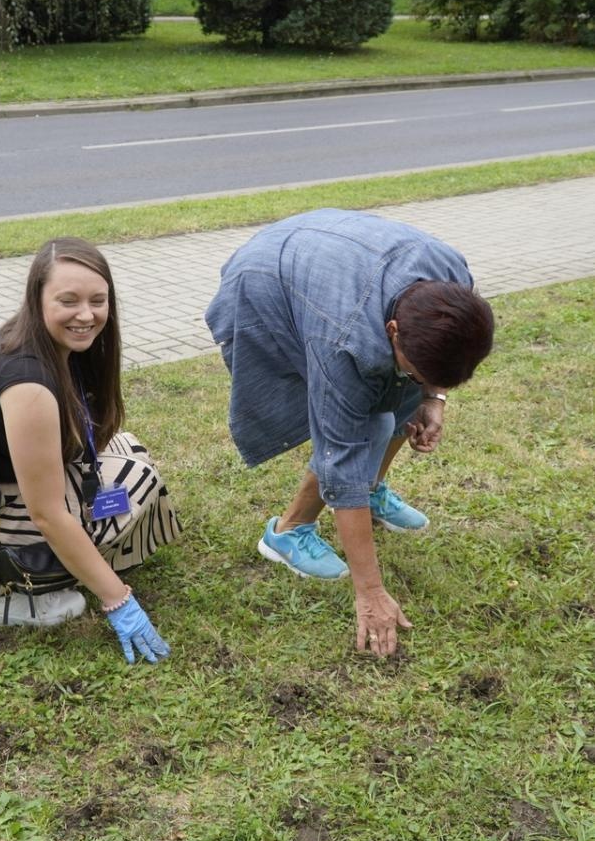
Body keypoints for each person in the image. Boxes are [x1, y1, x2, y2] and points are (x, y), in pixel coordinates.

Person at [205, 208, 494, 658]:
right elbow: (341, 454)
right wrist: (371, 592)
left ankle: (373, 488)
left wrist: (433, 398)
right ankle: (286, 534)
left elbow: (428, 363)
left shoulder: (451, 275)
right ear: (392, 331)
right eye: (420, 372)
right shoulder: (344, 339)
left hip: (336, 260)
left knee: (396, 396)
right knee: (364, 425)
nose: (422, 381)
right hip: (266, 283)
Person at [0, 237, 181, 664]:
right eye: (69, 300)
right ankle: (6, 601)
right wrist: (118, 601)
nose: (87, 314)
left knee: (129, 455)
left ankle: (22, 573)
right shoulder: (27, 383)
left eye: (98, 300)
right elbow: (48, 514)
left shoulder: (40, 339)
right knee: (132, 492)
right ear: (37, 298)